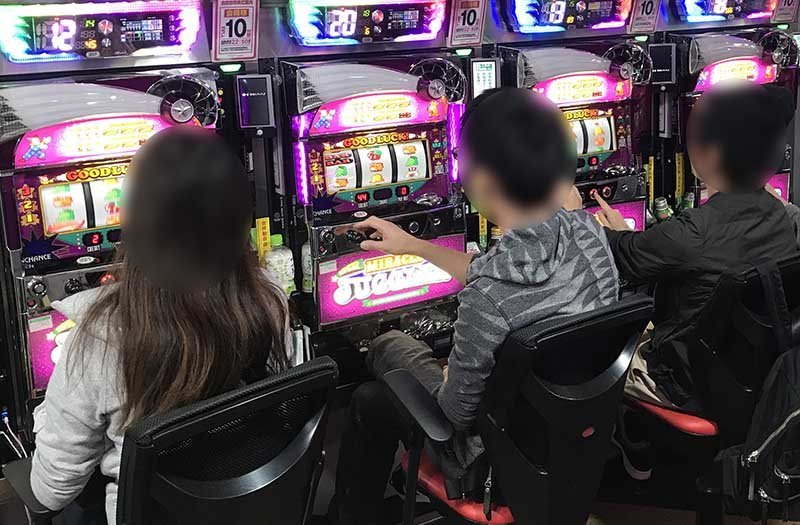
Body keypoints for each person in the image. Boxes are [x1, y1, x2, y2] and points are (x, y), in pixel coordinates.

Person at [331, 87, 621, 524]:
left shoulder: (487, 298)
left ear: (483, 180)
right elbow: (496, 273)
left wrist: (451, 377)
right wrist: (414, 246)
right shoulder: (588, 231)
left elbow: (455, 414)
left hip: (496, 465)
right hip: (575, 436)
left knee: (384, 357)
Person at [29, 127, 291, 525]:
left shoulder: (101, 334)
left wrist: (45, 416)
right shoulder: (269, 298)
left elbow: (50, 489)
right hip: (253, 507)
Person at [594, 83, 800, 478]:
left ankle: (631, 445)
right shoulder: (781, 215)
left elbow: (623, 257)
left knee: (594, 344)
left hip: (685, 384)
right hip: (754, 373)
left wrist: (575, 214)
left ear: (712, 154)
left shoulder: (693, 233)